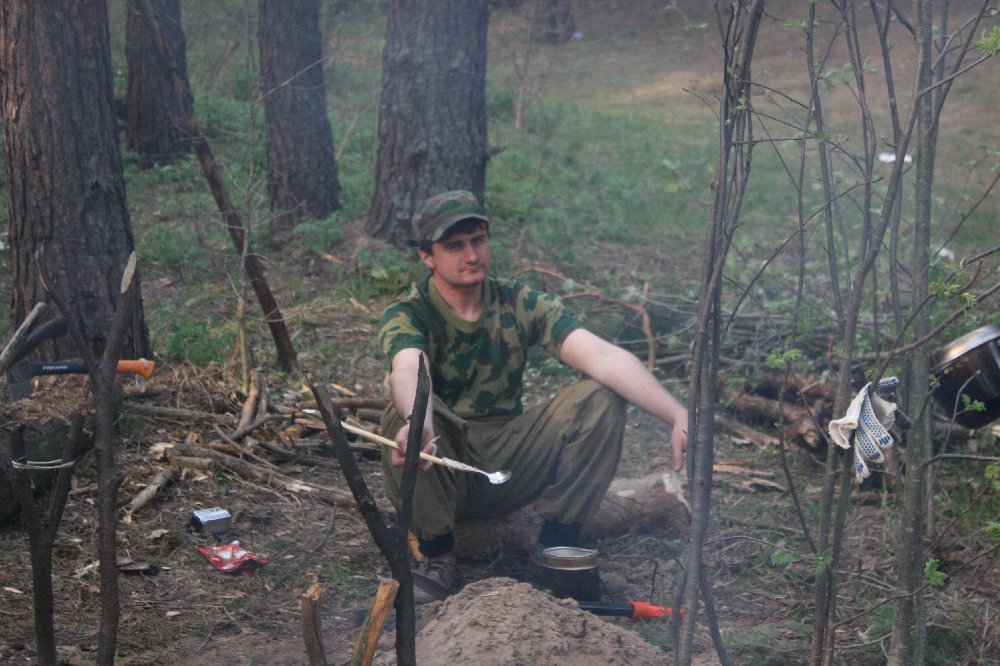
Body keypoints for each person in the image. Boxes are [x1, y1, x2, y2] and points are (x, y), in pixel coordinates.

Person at [378, 190, 689, 603]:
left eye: (478, 240)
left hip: (510, 463)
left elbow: (603, 356)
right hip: (441, 461)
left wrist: (677, 414)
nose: (471, 255)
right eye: (454, 246)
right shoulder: (411, 312)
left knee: (601, 397)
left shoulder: (519, 302)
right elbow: (408, 368)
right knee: (401, 416)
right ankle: (437, 554)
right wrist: (417, 423)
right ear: (427, 257)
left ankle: (558, 546)